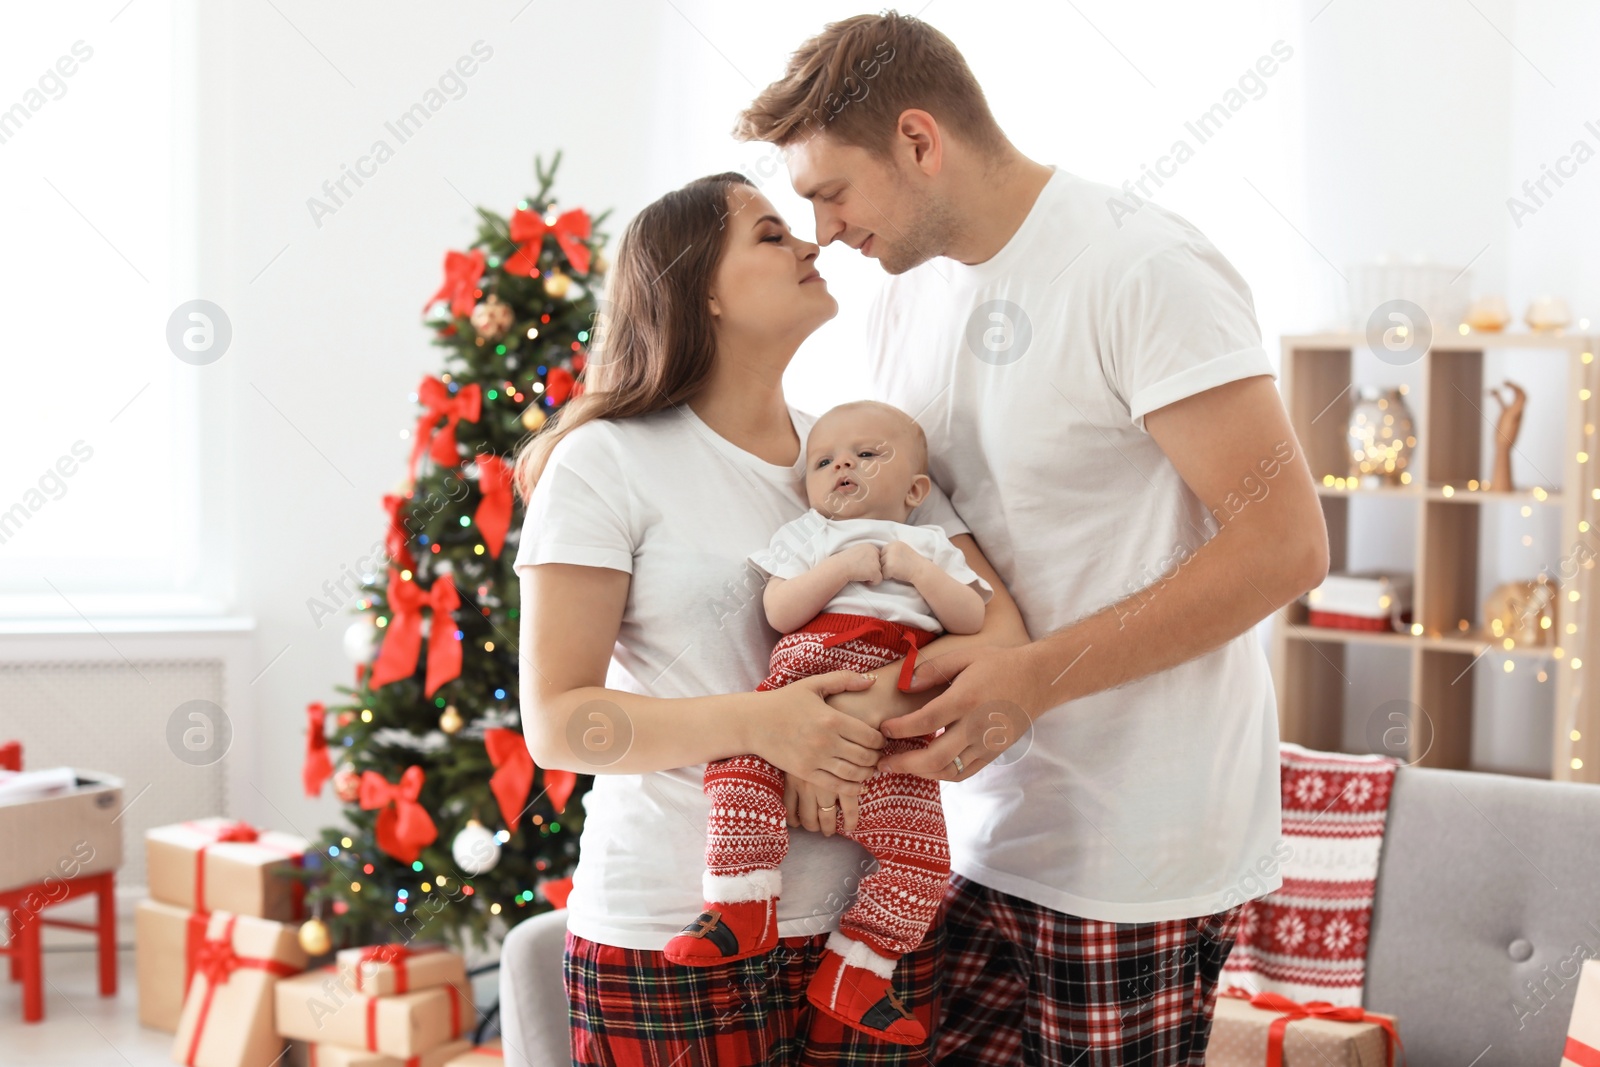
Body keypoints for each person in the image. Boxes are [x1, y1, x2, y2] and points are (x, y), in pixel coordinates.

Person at [733, 11, 1330, 1066]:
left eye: (831, 192)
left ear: (918, 140)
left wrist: (1031, 679)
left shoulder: (1139, 267)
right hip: (971, 834)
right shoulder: (904, 299)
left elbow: (1284, 546)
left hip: (1136, 848)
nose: (820, 231)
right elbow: (913, 526)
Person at [512, 172, 1029, 1066]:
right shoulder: (605, 462)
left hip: (871, 933)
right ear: (699, 290)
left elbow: (1003, 639)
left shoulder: (857, 452)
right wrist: (770, 725)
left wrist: (869, 709)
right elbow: (561, 723)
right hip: (673, 936)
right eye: (767, 234)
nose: (810, 243)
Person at [664, 399, 994, 1047]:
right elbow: (782, 609)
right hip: (802, 689)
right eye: (824, 460)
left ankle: (858, 968)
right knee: (736, 769)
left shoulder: (928, 542)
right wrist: (841, 567)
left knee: (924, 860)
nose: (843, 463)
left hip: (894, 735)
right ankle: (742, 904)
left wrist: (917, 568)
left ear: (916, 489)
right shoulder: (809, 535)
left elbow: (971, 619)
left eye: (868, 454)